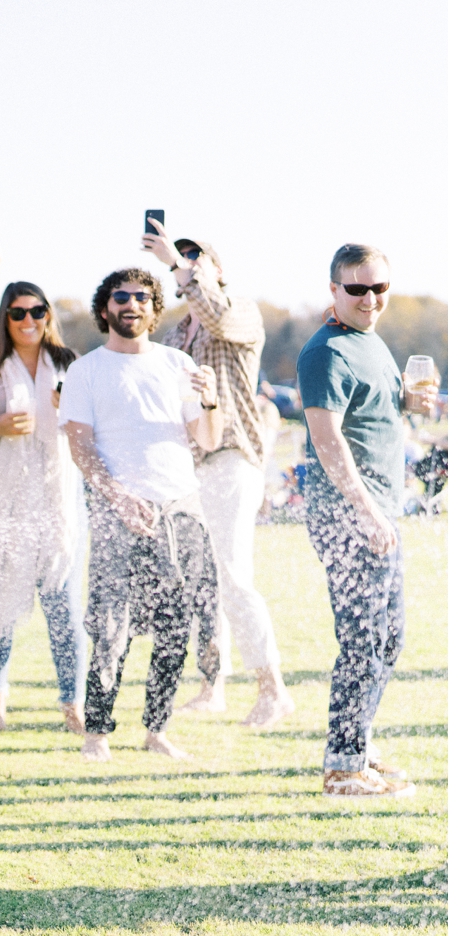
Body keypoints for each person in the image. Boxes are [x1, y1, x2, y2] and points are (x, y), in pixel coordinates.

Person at [60, 268, 223, 762]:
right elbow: (80, 446)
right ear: (105, 308)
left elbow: (209, 439)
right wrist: (117, 496)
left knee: (177, 625)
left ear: (155, 311)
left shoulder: (179, 364)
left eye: (141, 298)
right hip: (117, 511)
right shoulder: (87, 370)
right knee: (110, 625)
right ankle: (97, 735)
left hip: (180, 510)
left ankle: (157, 730)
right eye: (120, 297)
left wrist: (212, 397)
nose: (131, 305)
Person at [145, 222, 295, 727]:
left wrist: (175, 265)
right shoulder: (173, 333)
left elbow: (219, 317)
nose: (184, 261)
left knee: (232, 574)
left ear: (217, 269)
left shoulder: (239, 312)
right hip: (189, 466)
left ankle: (273, 689)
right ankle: (214, 685)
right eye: (180, 257)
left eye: (195, 257)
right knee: (201, 583)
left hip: (234, 456)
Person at [298, 244, 428, 798]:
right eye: (357, 289)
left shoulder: (369, 343)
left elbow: (379, 415)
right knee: (364, 638)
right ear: (334, 290)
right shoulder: (325, 352)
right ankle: (343, 767)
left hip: (378, 512)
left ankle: (360, 743)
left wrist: (415, 406)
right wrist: (366, 510)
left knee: (389, 635)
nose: (370, 299)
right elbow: (327, 441)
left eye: (380, 288)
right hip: (349, 515)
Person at [0, 281, 88, 733]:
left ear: (48, 315)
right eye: (18, 313)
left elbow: (90, 432)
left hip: (59, 493)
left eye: (37, 311)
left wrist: (67, 411)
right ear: (5, 318)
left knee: (64, 603)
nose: (29, 320)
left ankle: (74, 703)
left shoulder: (72, 365)